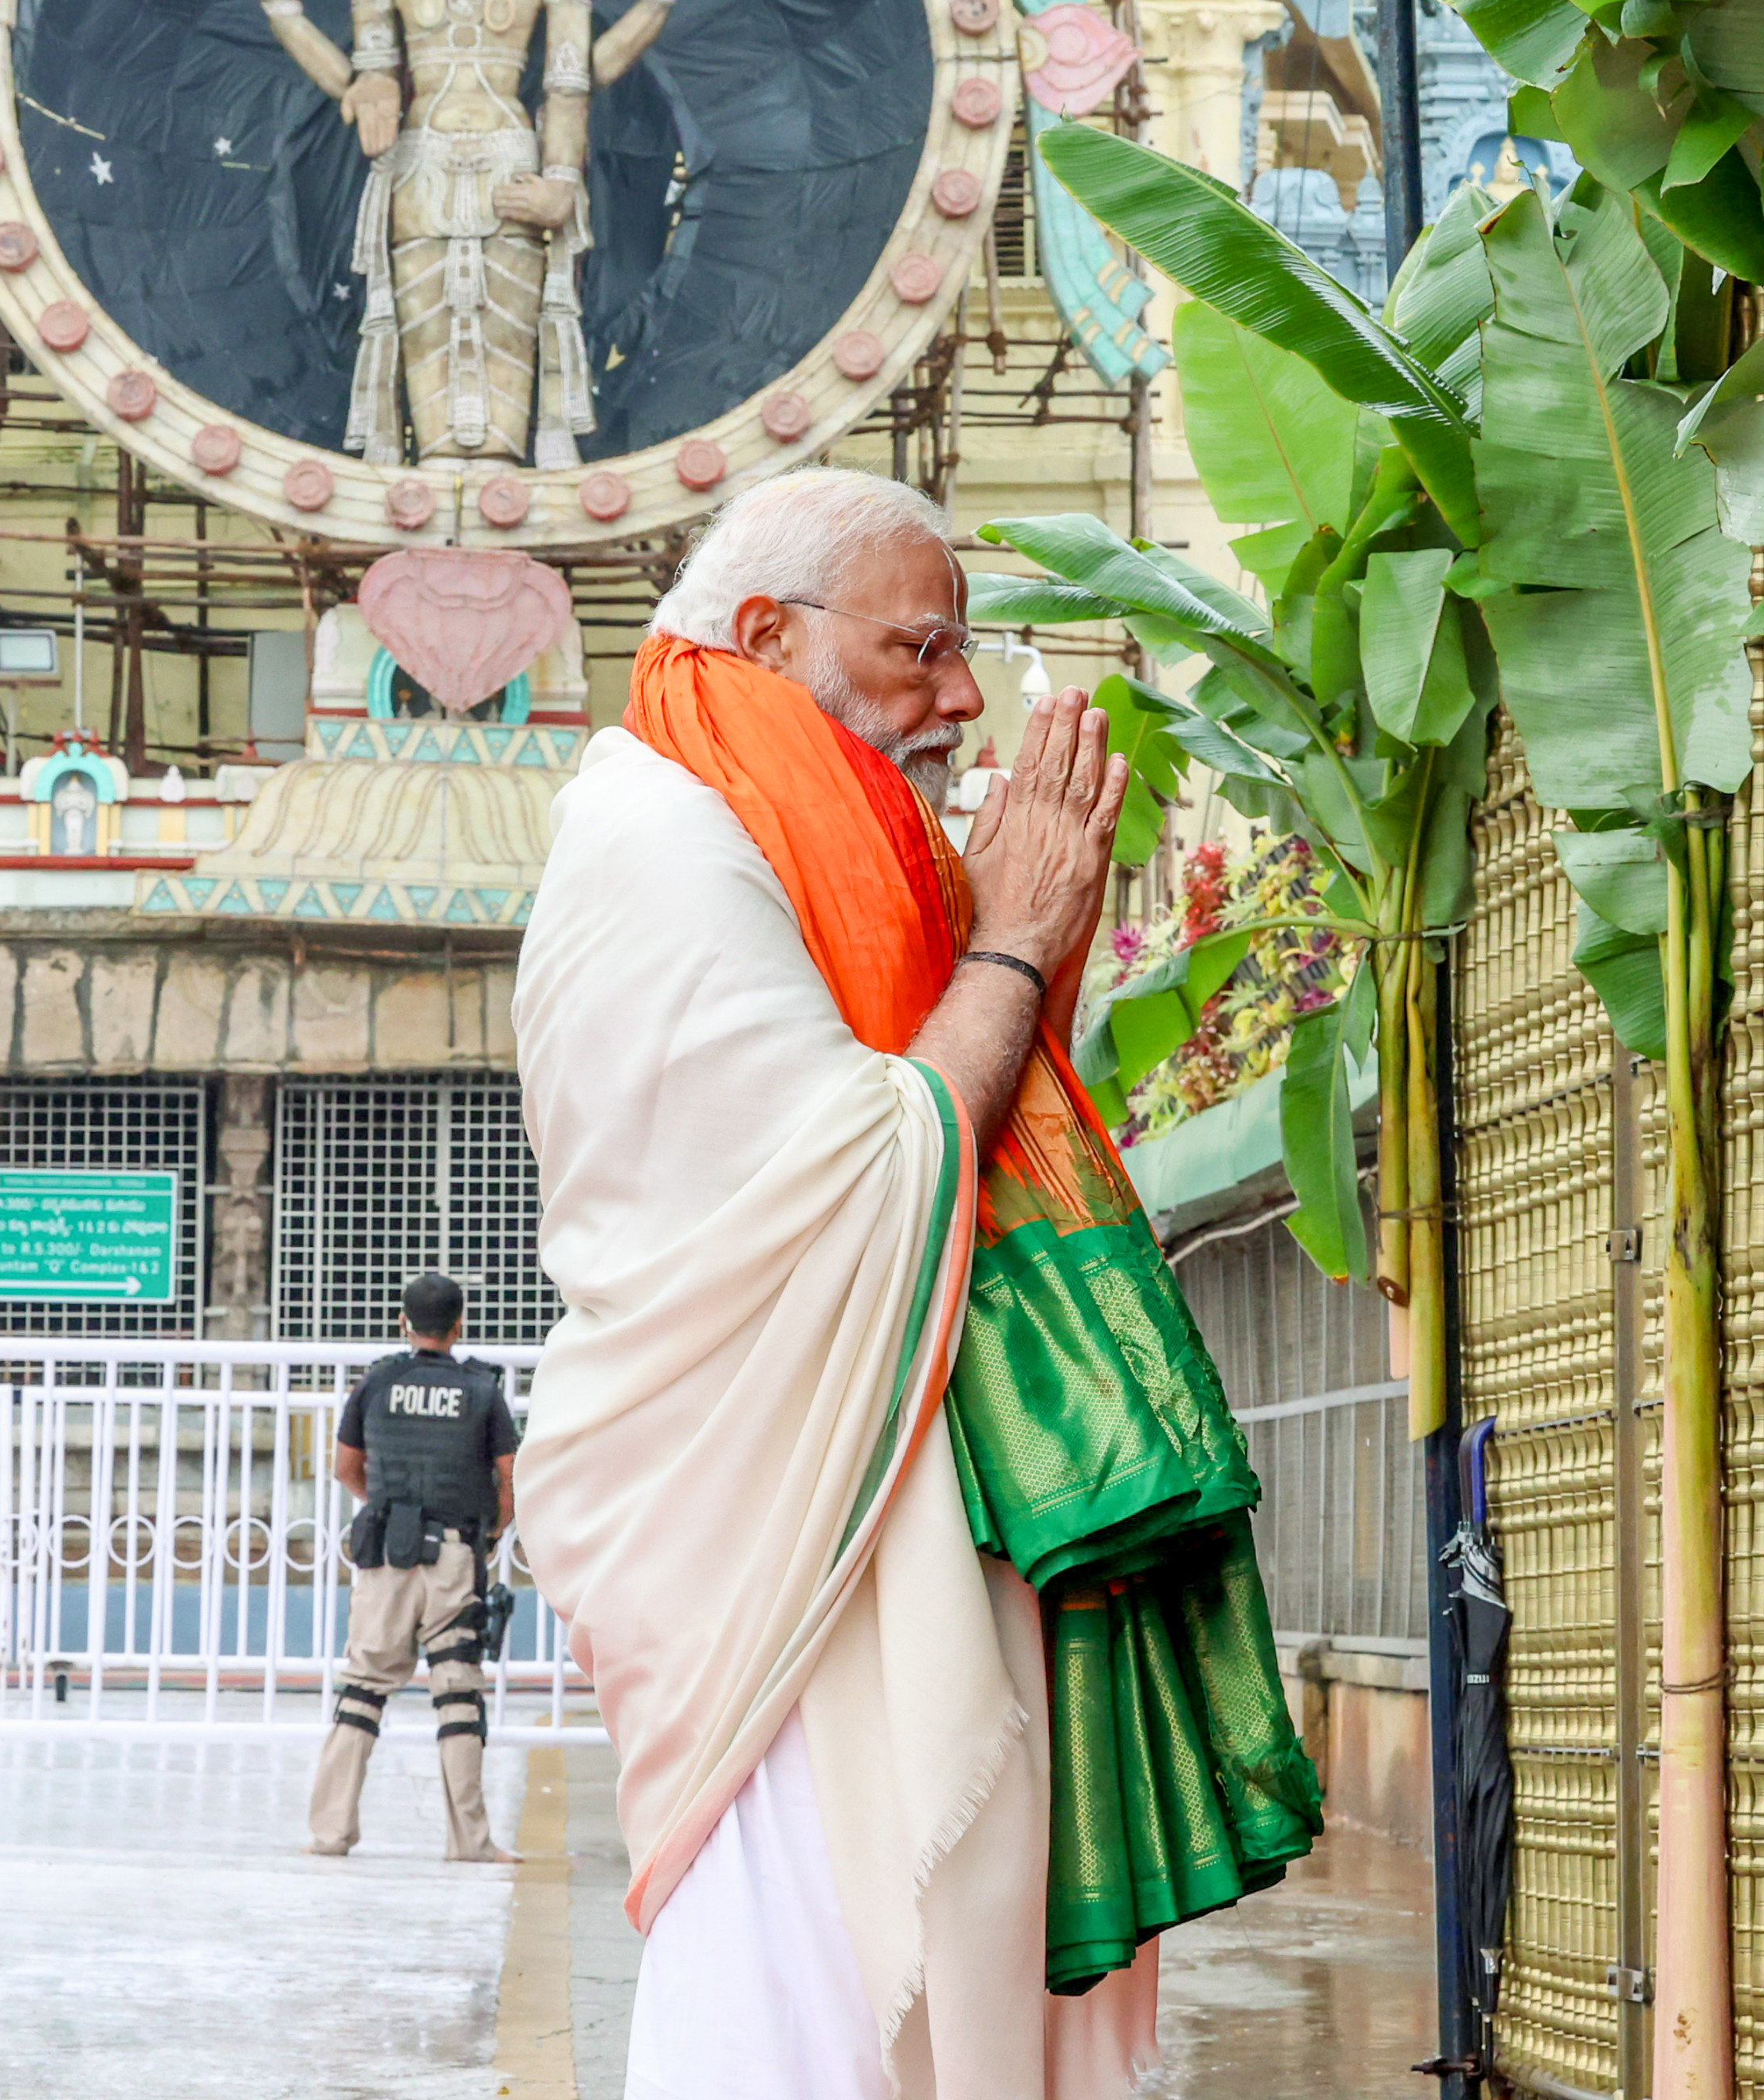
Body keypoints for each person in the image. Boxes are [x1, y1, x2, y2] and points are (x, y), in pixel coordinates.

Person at [512, 469, 1319, 2100]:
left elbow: (911, 1114)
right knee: (813, 1987)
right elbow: (865, 1174)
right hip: (764, 1532)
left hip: (861, 1492)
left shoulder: (794, 831)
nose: (962, 695)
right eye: (923, 648)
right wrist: (1012, 945)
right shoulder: (658, 838)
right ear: (765, 635)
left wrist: (1019, 942)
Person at [306, 1271, 520, 1865]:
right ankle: (470, 1843)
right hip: (454, 1554)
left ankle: (330, 1834)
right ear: (460, 1325)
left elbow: (346, 1464)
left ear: (403, 1322)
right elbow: (509, 1474)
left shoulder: (377, 1382)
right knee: (457, 1695)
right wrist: (495, 1530)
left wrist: (381, 1508)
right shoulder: (481, 1391)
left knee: (362, 1691)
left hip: (386, 1555)